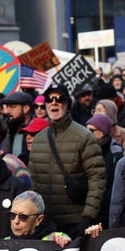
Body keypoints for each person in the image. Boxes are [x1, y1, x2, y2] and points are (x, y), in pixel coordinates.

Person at [28, 82, 105, 237]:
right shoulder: (38, 140)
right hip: (45, 224)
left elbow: (98, 180)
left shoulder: (84, 137)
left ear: (67, 104)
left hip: (74, 222)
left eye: (59, 98)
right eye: (49, 99)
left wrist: (87, 217)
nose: (54, 102)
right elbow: (33, 183)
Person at [85, 113, 124, 228]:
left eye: (91, 131)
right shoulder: (86, 150)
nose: (87, 134)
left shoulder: (116, 154)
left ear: (102, 132)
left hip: (108, 210)